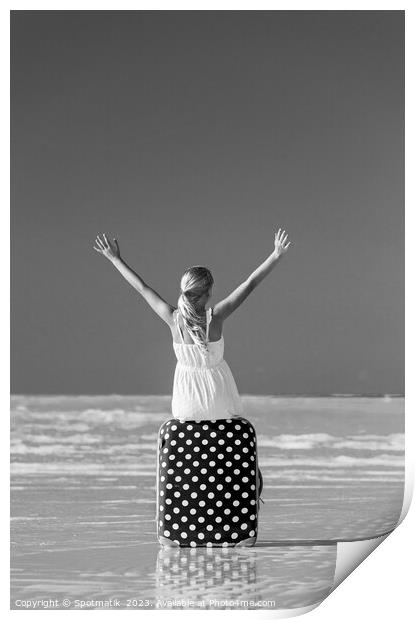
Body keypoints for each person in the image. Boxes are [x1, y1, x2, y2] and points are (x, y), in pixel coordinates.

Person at [93, 229, 291, 424]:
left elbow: (142, 287)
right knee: (231, 422)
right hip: (220, 403)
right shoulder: (216, 317)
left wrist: (115, 259)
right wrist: (275, 255)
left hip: (186, 406)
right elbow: (249, 284)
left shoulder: (173, 318)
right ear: (209, 291)